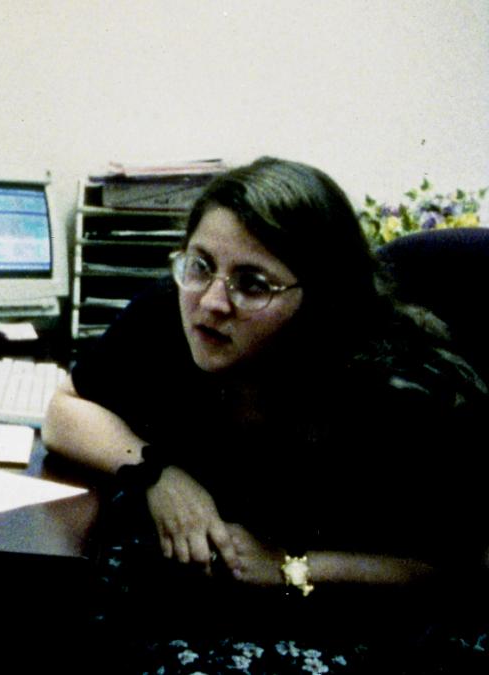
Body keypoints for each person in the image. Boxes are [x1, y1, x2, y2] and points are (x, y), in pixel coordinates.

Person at [43, 157, 488, 671]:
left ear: (321, 298)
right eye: (200, 264)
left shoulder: (399, 391)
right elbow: (64, 410)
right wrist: (156, 473)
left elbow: (459, 565)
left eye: (252, 284)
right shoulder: (172, 312)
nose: (211, 301)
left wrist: (290, 568)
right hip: (208, 596)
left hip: (350, 613)